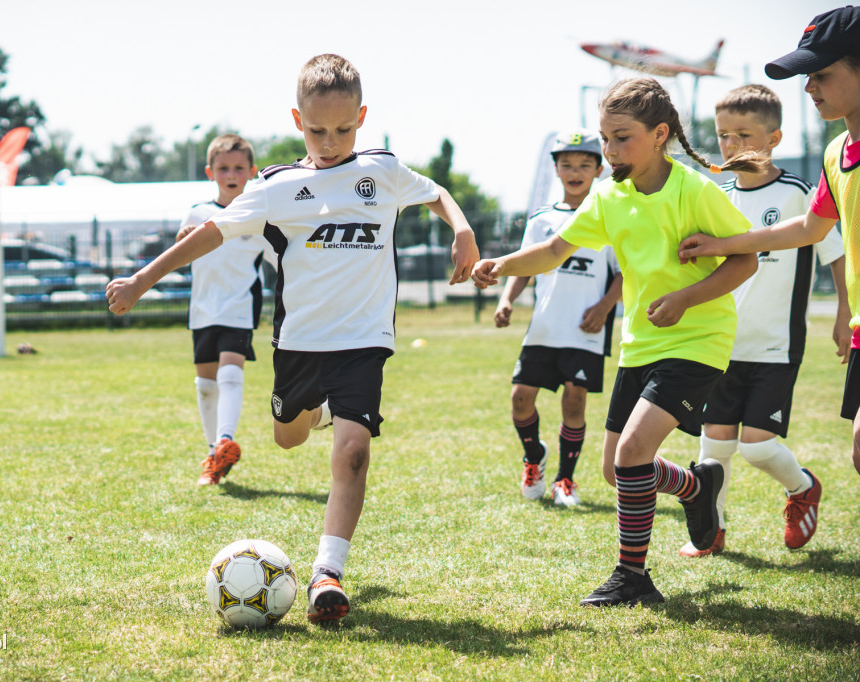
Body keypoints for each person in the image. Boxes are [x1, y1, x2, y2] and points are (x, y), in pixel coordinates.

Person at [107, 54, 480, 623]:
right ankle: (319, 412)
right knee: (287, 438)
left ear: (362, 116)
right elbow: (210, 233)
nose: (330, 142)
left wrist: (464, 229)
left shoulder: (381, 171)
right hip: (300, 343)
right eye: (316, 130)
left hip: (365, 339)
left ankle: (326, 574)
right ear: (295, 119)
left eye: (343, 129)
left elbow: (435, 193)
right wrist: (142, 279)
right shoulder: (277, 187)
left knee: (353, 454)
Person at [473, 77, 761, 607]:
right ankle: (698, 488)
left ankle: (633, 578)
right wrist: (502, 264)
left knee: (631, 454)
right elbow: (555, 248)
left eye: (620, 138)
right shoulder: (609, 194)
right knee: (615, 469)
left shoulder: (694, 189)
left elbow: (745, 258)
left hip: (698, 339)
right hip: (640, 343)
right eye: (605, 139)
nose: (608, 151)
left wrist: (687, 299)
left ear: (660, 134)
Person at [679, 6, 860, 479]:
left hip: (778, 348)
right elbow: (806, 229)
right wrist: (719, 245)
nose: (808, 87)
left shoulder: (795, 184)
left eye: (820, 74)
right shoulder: (835, 153)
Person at [679, 85, 850, 557]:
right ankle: (710, 532)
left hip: (775, 346)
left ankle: (802, 488)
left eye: (743, 136)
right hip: (719, 343)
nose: (731, 146)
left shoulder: (798, 194)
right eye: (723, 136)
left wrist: (843, 312)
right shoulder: (716, 195)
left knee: (756, 447)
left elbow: (835, 255)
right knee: (713, 449)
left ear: (774, 138)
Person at [494, 130, 623, 507]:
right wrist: (507, 299)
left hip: (585, 330)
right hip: (545, 328)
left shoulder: (607, 218)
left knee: (574, 401)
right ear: (556, 170)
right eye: (566, 164)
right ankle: (534, 457)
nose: (575, 171)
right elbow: (526, 265)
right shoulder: (542, 219)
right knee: (520, 398)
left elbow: (622, 273)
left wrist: (603, 308)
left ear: (599, 170)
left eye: (584, 164)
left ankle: (565, 480)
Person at [179, 134, 277, 486]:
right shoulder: (198, 213)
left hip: (239, 309)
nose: (231, 174)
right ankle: (213, 456)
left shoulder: (258, 219)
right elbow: (181, 253)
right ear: (210, 172)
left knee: (230, 372)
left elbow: (282, 260)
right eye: (223, 168)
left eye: (239, 167)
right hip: (203, 310)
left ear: (251, 172)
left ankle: (225, 440)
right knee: (206, 385)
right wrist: (184, 239)